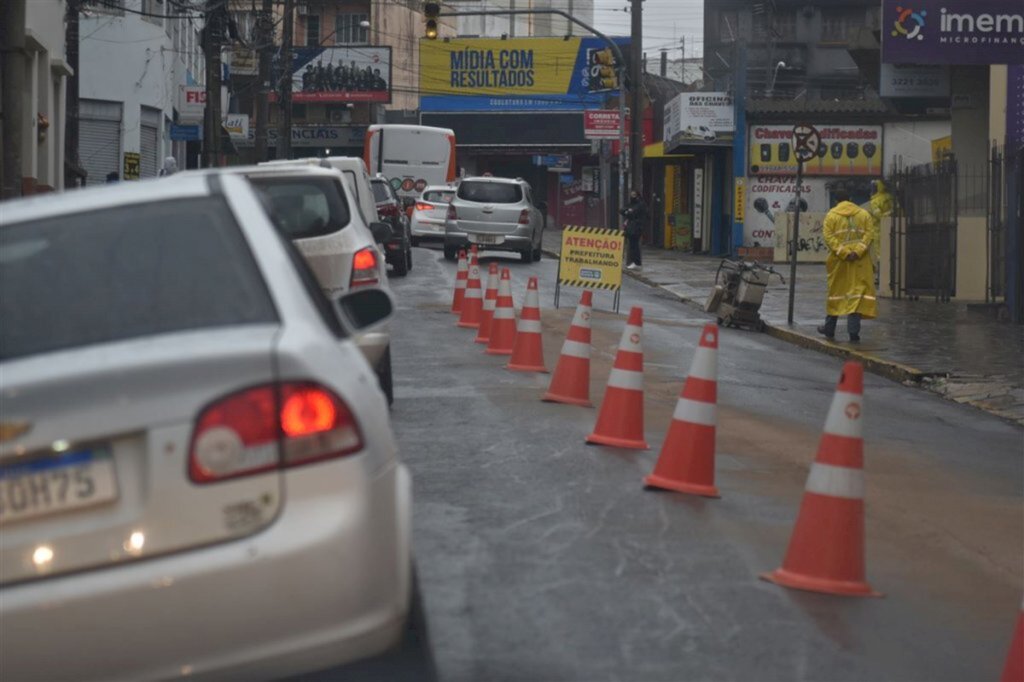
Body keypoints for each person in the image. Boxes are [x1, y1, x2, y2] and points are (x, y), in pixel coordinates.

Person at [818, 189, 877, 342]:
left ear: (836, 201)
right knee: (856, 296)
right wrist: (857, 252)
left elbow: (828, 237)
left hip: (839, 262)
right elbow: (869, 234)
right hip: (860, 262)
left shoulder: (831, 215)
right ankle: (853, 333)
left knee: (836, 294)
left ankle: (829, 330)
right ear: (850, 198)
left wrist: (843, 252)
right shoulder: (864, 215)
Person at [619, 190, 647, 271]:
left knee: (634, 245)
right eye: (631, 195)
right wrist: (628, 211)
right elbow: (622, 210)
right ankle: (634, 262)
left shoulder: (641, 204)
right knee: (632, 245)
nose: (633, 196)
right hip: (631, 227)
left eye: (634, 195)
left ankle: (636, 262)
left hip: (637, 227)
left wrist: (628, 212)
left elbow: (633, 212)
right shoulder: (631, 204)